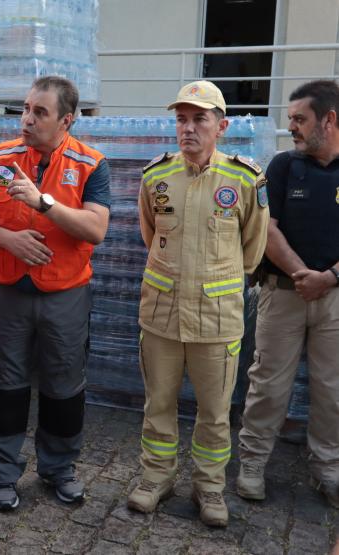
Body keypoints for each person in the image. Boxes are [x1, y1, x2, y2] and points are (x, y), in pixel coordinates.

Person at [127, 81, 268, 527]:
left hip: (217, 318)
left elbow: (252, 249)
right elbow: (152, 236)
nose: (188, 128)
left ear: (221, 126)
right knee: (158, 404)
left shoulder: (245, 178)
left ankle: (209, 488)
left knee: (214, 413)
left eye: (199, 119)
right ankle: (156, 478)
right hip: (162, 313)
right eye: (181, 119)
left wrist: (213, 281)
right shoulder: (156, 176)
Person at [0, 76, 111, 510]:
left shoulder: (91, 164)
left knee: (64, 386)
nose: (27, 119)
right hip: (9, 292)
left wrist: (43, 202)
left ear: (66, 120)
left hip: (65, 294)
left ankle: (58, 469)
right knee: (5, 386)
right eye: (26, 109)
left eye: (39, 112)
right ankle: (3, 474)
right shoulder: (1, 156)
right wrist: (7, 240)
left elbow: (96, 229)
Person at [237, 80, 339, 509]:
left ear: (329, 120)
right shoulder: (281, 167)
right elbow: (266, 229)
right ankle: (252, 465)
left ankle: (328, 470)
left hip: (335, 299)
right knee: (268, 385)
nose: (291, 127)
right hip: (283, 293)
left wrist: (329, 278)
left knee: (333, 389)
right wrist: (303, 274)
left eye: (300, 119)